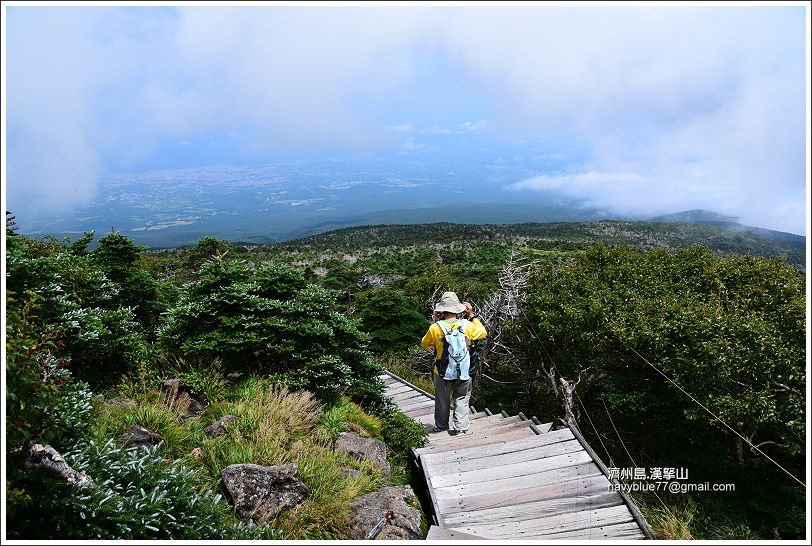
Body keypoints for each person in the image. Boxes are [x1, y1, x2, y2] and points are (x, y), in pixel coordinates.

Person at [421, 291, 487, 435]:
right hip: (464, 370)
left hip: (442, 371)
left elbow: (425, 344)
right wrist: (472, 316)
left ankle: (441, 426)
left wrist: (435, 321)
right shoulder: (467, 325)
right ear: (458, 309)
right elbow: (483, 332)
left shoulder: (435, 328)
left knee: (442, 400)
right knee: (462, 398)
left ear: (442, 310)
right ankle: (461, 428)